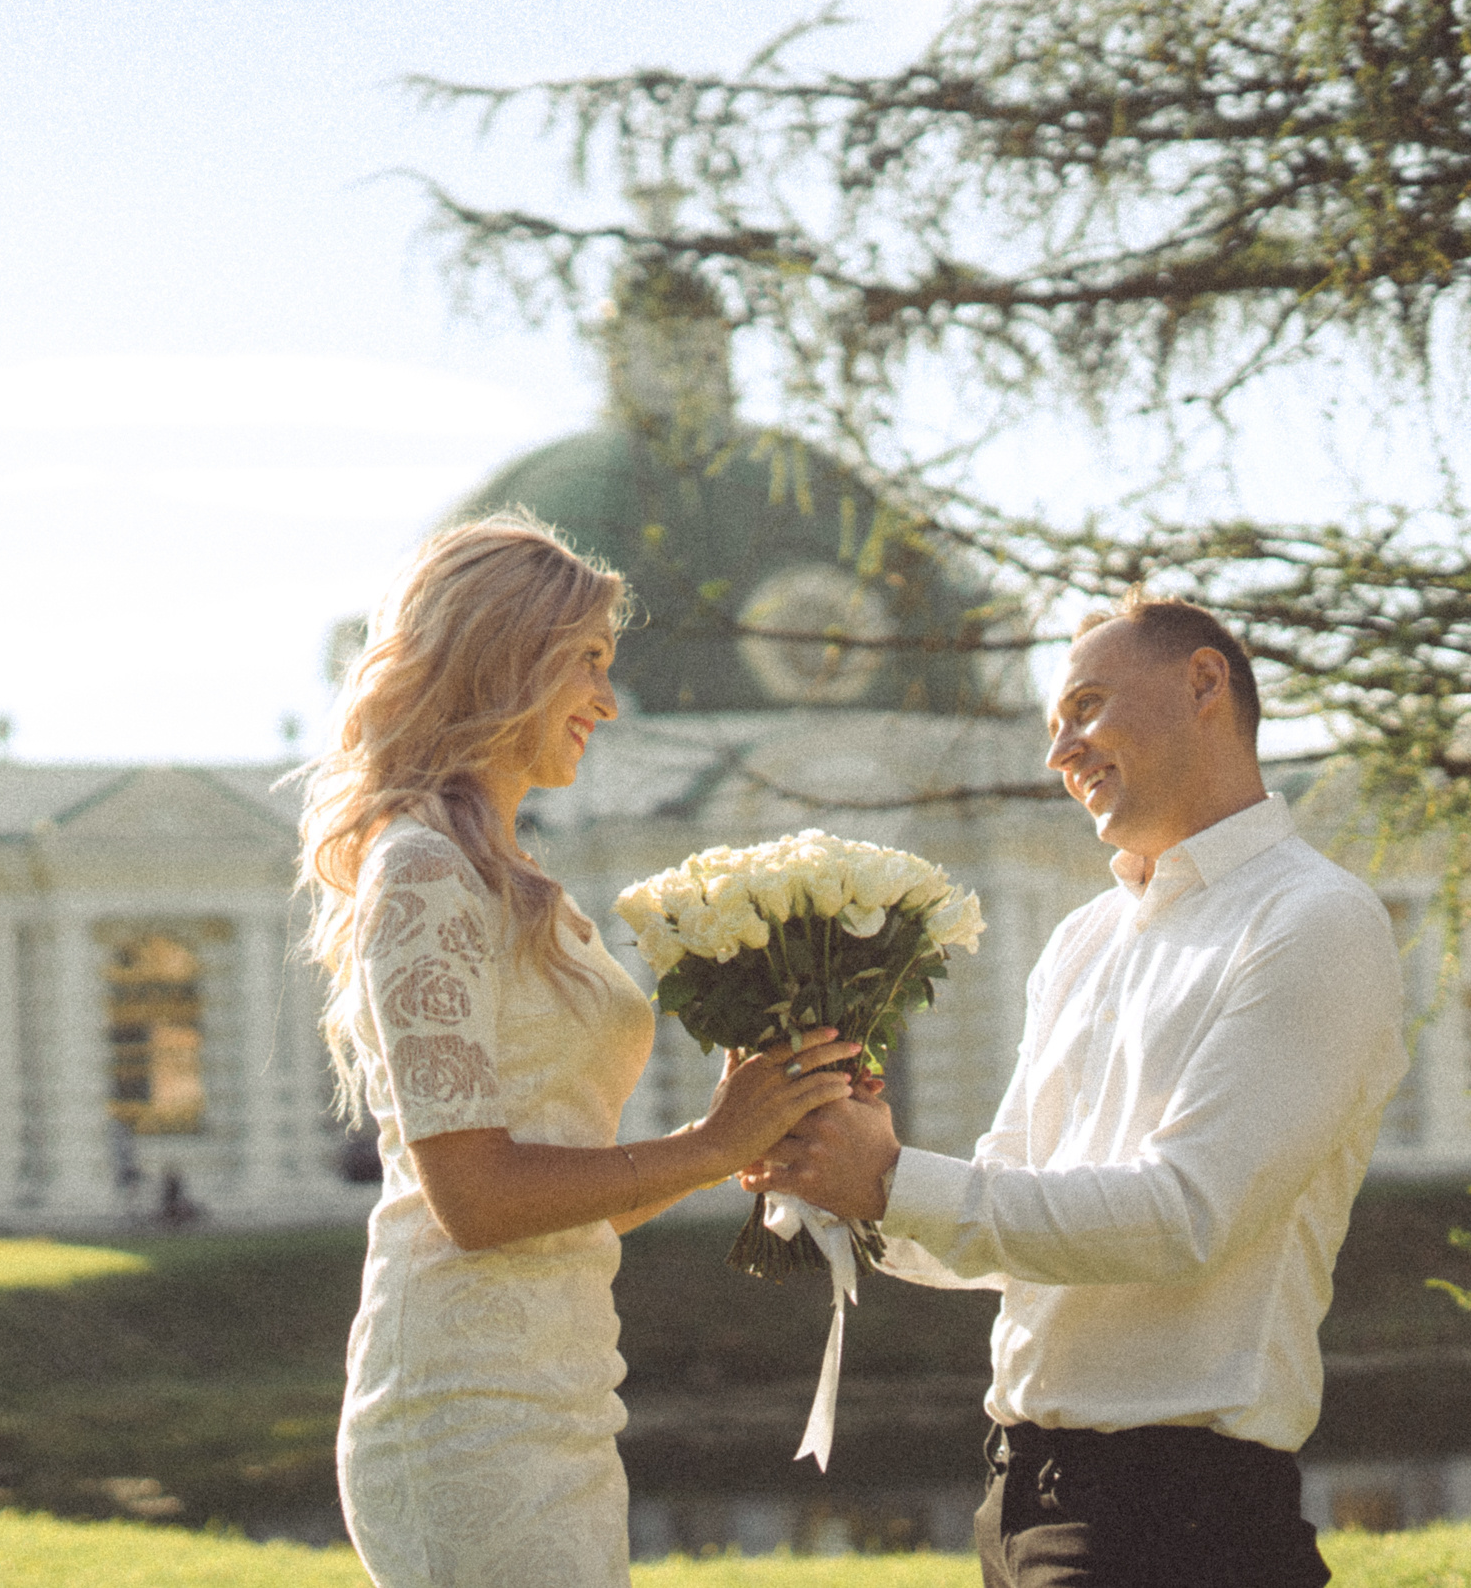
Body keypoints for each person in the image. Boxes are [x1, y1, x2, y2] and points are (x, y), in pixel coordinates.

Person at [746, 590, 1408, 1588]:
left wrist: (890, 1179)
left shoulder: (1313, 919)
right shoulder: (1082, 938)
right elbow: (1011, 1208)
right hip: (1016, 1499)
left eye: (1088, 706)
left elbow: (1186, 1214)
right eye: (1055, 726)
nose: (1061, 751)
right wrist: (838, 1173)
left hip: (1179, 1519)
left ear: (1201, 684)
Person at [298, 513, 858, 1588]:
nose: (608, 698)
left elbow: (558, 1188)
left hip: (562, 1376)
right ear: (506, 659)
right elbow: (471, 1196)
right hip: (463, 1396)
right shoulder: (419, 871)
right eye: (588, 664)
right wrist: (704, 1140)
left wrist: (749, 1135)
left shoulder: (506, 880)